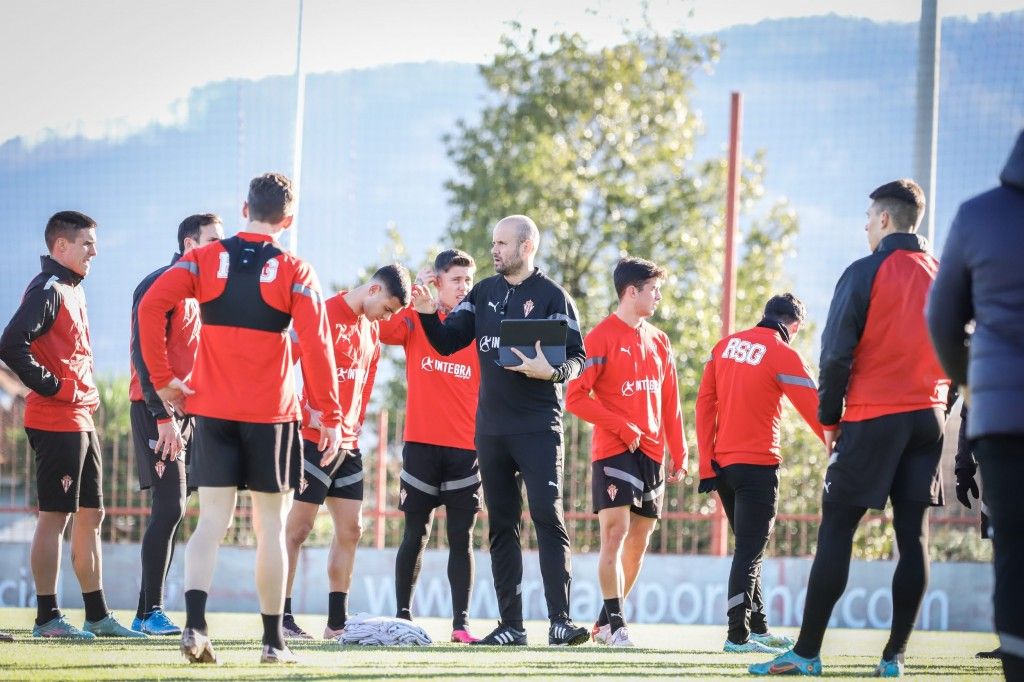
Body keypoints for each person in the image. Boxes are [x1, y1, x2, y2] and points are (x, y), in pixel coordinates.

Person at [137, 172, 343, 664]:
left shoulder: (203, 258)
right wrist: (331, 414)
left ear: (244, 206)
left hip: (211, 410)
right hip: (271, 415)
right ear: (288, 220)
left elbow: (149, 307)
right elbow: (317, 347)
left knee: (210, 523)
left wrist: (165, 380)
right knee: (270, 527)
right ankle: (273, 643)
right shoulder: (297, 270)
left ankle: (194, 627)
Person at [752, 179, 951, 677]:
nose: (865, 226)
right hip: (929, 418)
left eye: (868, 219)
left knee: (837, 529)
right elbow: (961, 346)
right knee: (914, 536)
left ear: (884, 220)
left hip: (872, 416)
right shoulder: (945, 273)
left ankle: (807, 653)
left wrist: (829, 418)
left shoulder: (865, 271)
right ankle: (894, 659)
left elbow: (836, 352)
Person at [411, 215, 589, 646]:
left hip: (538, 428)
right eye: (493, 242)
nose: (494, 250)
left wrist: (554, 371)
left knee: (548, 517)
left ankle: (560, 621)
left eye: (502, 243)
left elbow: (579, 357)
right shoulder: (482, 293)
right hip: (490, 431)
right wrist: (429, 312)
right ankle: (512, 626)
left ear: (526, 247)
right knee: (502, 526)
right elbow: (448, 340)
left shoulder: (553, 297)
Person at [0, 211, 143, 639]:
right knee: (55, 517)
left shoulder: (72, 290)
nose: (94, 251)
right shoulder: (49, 290)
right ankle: (47, 618)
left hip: (81, 419)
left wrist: (80, 390)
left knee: (92, 514)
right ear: (60, 247)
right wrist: (54, 386)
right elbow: (10, 343)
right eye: (86, 243)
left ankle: (97, 615)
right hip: (55, 420)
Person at [927, 130, 1024, 682]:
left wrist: (974, 386)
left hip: (1004, 420)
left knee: (1013, 553)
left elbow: (941, 322)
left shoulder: (977, 216)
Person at [281, 264, 410, 641]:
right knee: (298, 529)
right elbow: (281, 371)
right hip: (311, 440)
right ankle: (282, 619)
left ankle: (336, 623)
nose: (386, 318)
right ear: (372, 290)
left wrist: (350, 431)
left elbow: (365, 388)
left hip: (348, 446)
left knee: (351, 530)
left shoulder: (372, 331)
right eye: (387, 309)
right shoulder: (319, 315)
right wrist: (308, 414)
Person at [565, 257, 688, 648]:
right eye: (653, 289)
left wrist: (680, 450)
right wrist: (621, 425)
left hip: (653, 454)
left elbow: (671, 400)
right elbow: (575, 397)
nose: (659, 296)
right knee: (614, 536)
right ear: (631, 292)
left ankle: (603, 623)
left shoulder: (660, 340)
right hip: (614, 450)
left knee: (639, 542)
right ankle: (619, 626)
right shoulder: (599, 337)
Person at [695, 293, 824, 655]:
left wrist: (706, 463)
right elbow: (814, 408)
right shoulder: (782, 352)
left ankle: (760, 627)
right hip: (758, 466)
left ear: (765, 314)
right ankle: (737, 636)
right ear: (793, 326)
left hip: (722, 467)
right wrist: (840, 448)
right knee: (750, 551)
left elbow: (705, 403)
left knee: (750, 548)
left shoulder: (723, 347)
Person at [378, 249, 482, 643]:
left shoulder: (475, 325)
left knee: (462, 538)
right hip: (420, 446)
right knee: (414, 534)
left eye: (468, 282)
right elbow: (380, 326)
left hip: (465, 451)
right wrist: (413, 293)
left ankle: (461, 625)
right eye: (456, 280)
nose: (464, 288)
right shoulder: (416, 319)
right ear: (438, 281)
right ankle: (403, 616)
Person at [128, 213, 223, 636]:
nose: (220, 248)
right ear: (189, 243)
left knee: (175, 508)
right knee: (169, 507)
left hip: (184, 417)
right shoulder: (159, 284)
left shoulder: (200, 292)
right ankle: (149, 612)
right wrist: (163, 416)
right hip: (155, 412)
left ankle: (148, 611)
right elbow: (145, 358)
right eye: (212, 240)